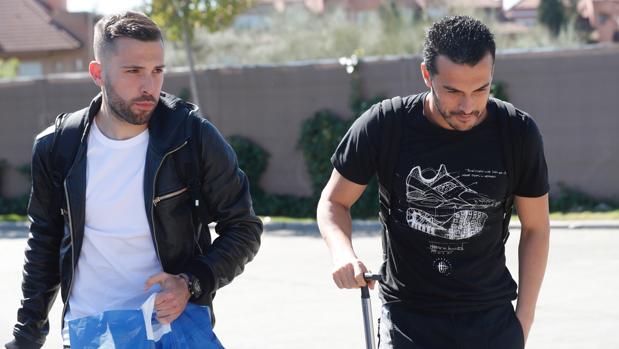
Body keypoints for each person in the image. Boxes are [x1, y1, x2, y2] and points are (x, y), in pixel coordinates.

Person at [6, 11, 262, 349]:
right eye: (133, 71)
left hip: (171, 328)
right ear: (98, 73)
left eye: (157, 71)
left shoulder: (192, 137)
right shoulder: (58, 146)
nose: (149, 86)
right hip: (90, 333)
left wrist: (190, 283)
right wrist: (27, 336)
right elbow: (44, 242)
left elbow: (243, 227)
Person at [317, 15, 549, 349]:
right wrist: (342, 254)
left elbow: (537, 227)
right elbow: (333, 202)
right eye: (453, 91)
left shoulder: (517, 132)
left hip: (491, 320)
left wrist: (523, 320)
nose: (468, 106)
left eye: (481, 89)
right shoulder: (385, 125)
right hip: (409, 318)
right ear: (427, 75)